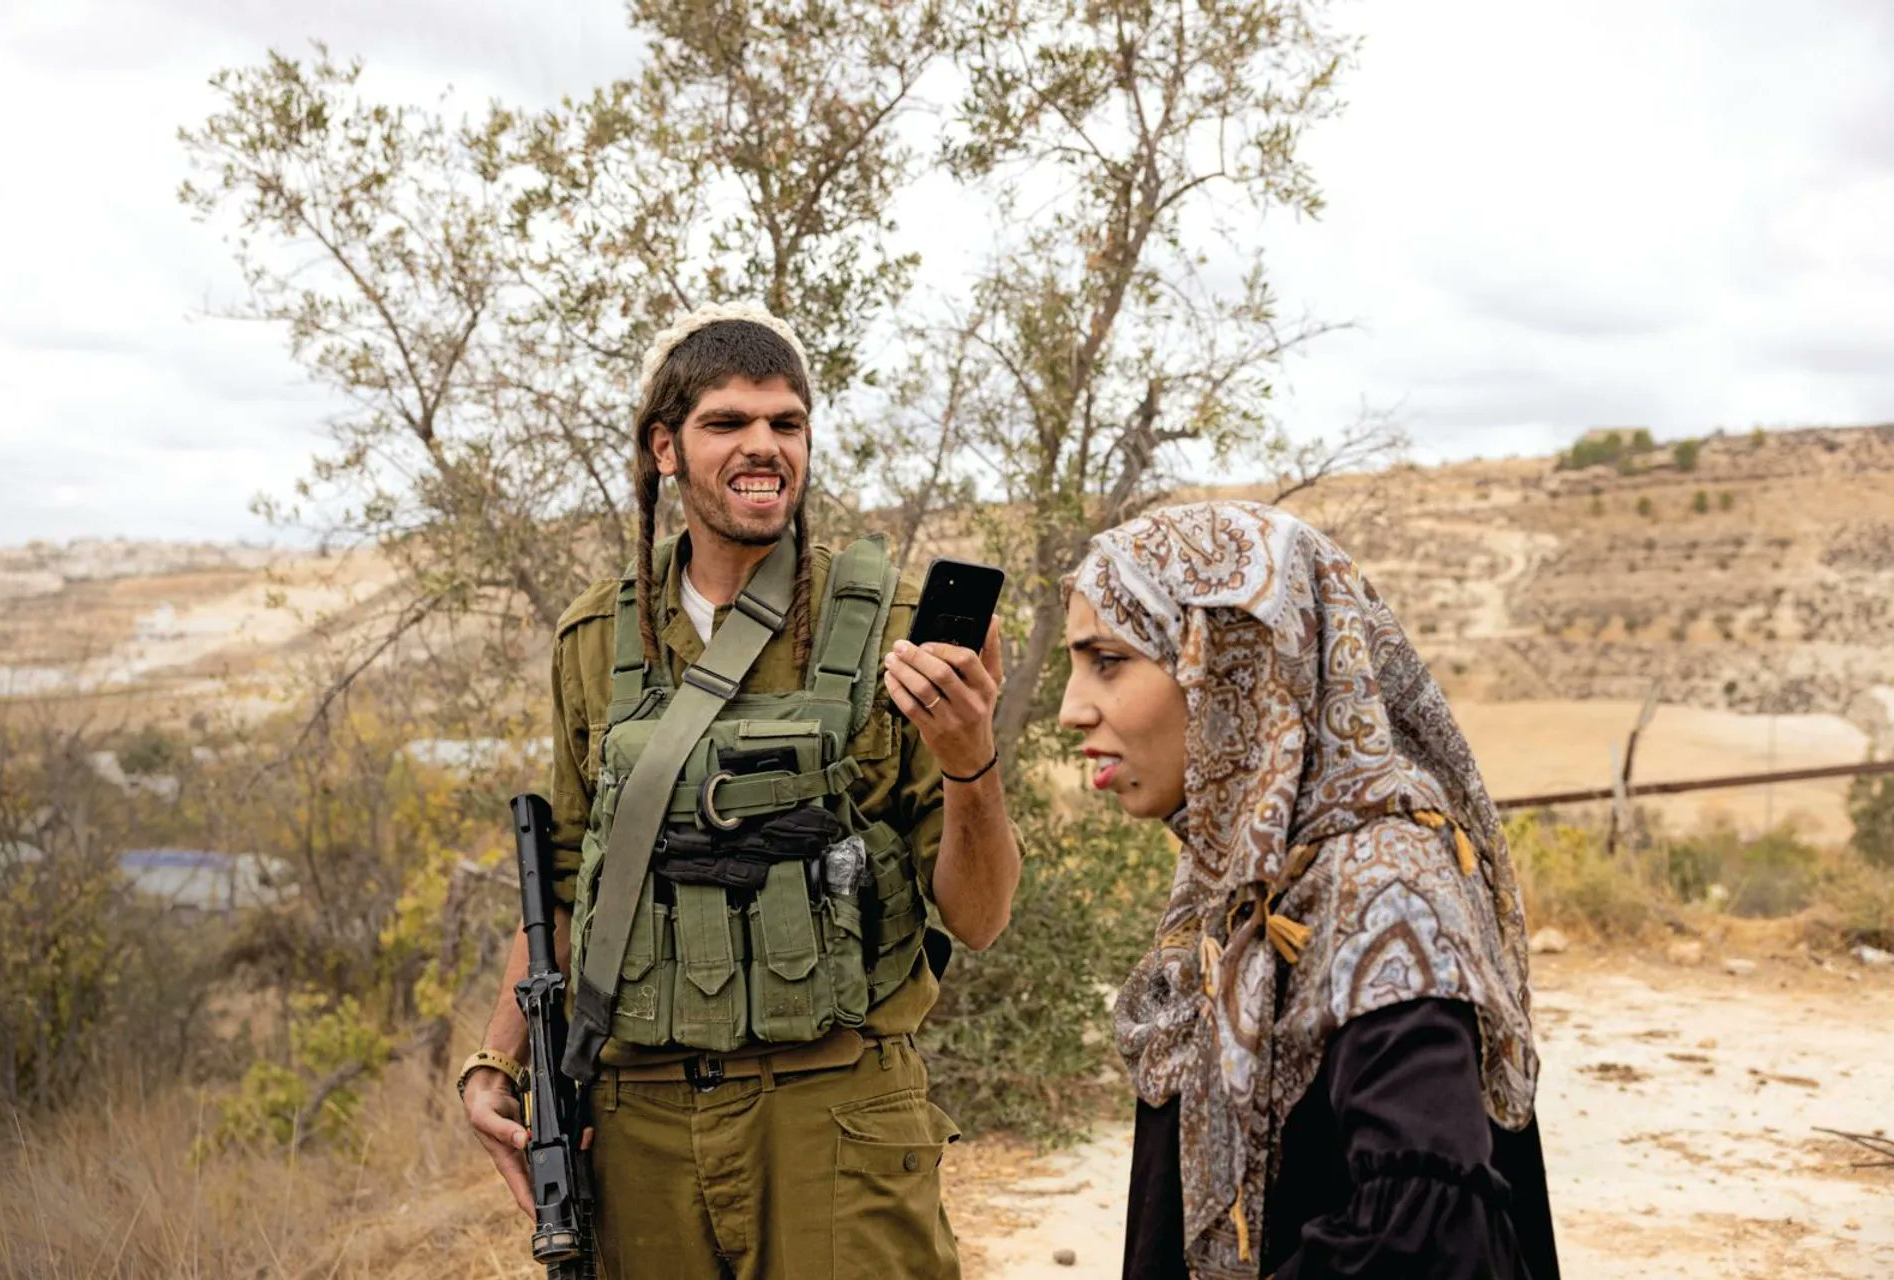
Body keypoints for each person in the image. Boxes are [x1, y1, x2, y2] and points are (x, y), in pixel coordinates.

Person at [459, 302, 1023, 1278]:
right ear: (664, 448)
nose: (764, 445)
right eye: (727, 421)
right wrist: (497, 1061)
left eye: (786, 423)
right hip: (636, 1124)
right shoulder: (596, 638)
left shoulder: (895, 626)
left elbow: (979, 917)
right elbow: (570, 880)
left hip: (836, 1111)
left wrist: (972, 758)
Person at [1059, 500, 1559, 1279]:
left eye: (1109, 661)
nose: (1071, 708)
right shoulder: (1247, 865)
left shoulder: (1385, 886)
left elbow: (1431, 1232)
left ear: (1234, 664)